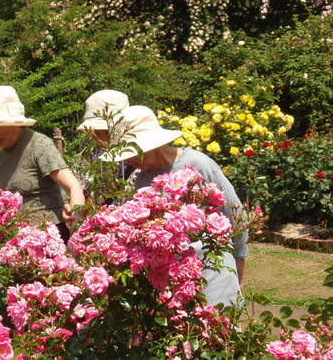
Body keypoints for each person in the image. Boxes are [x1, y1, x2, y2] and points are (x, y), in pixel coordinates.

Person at [102, 105, 249, 307]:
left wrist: (239, 272)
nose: (127, 160)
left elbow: (236, 216)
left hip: (213, 275)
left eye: (129, 153)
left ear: (147, 146)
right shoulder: (140, 179)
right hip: (171, 284)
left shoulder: (198, 164)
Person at [0, 86, 85, 241]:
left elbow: (73, 186)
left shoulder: (39, 145)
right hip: (16, 240)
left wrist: (75, 215)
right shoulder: (1, 157)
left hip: (49, 237)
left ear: (14, 123)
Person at [77, 89, 134, 181]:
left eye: (99, 132)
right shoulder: (96, 152)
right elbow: (92, 182)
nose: (95, 138)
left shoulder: (132, 152)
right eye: (92, 133)